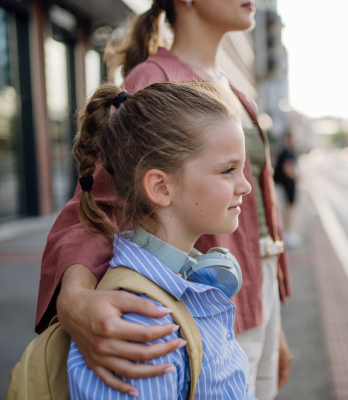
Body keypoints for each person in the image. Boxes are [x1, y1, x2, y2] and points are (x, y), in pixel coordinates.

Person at [36, 1, 292, 399]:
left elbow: (255, 206)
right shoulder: (154, 81)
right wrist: (76, 297)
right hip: (199, 304)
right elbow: (97, 199)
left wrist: (274, 317)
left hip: (253, 290)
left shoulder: (238, 93)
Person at [66, 81, 256, 399]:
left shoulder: (179, 278)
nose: (245, 186)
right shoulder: (141, 325)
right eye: (228, 170)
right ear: (161, 188)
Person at [273, 132, 301, 248]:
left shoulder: (283, 151)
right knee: (288, 210)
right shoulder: (287, 152)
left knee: (287, 210)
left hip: (285, 185)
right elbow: (287, 168)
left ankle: (287, 234)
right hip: (286, 186)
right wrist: (297, 177)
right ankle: (287, 234)